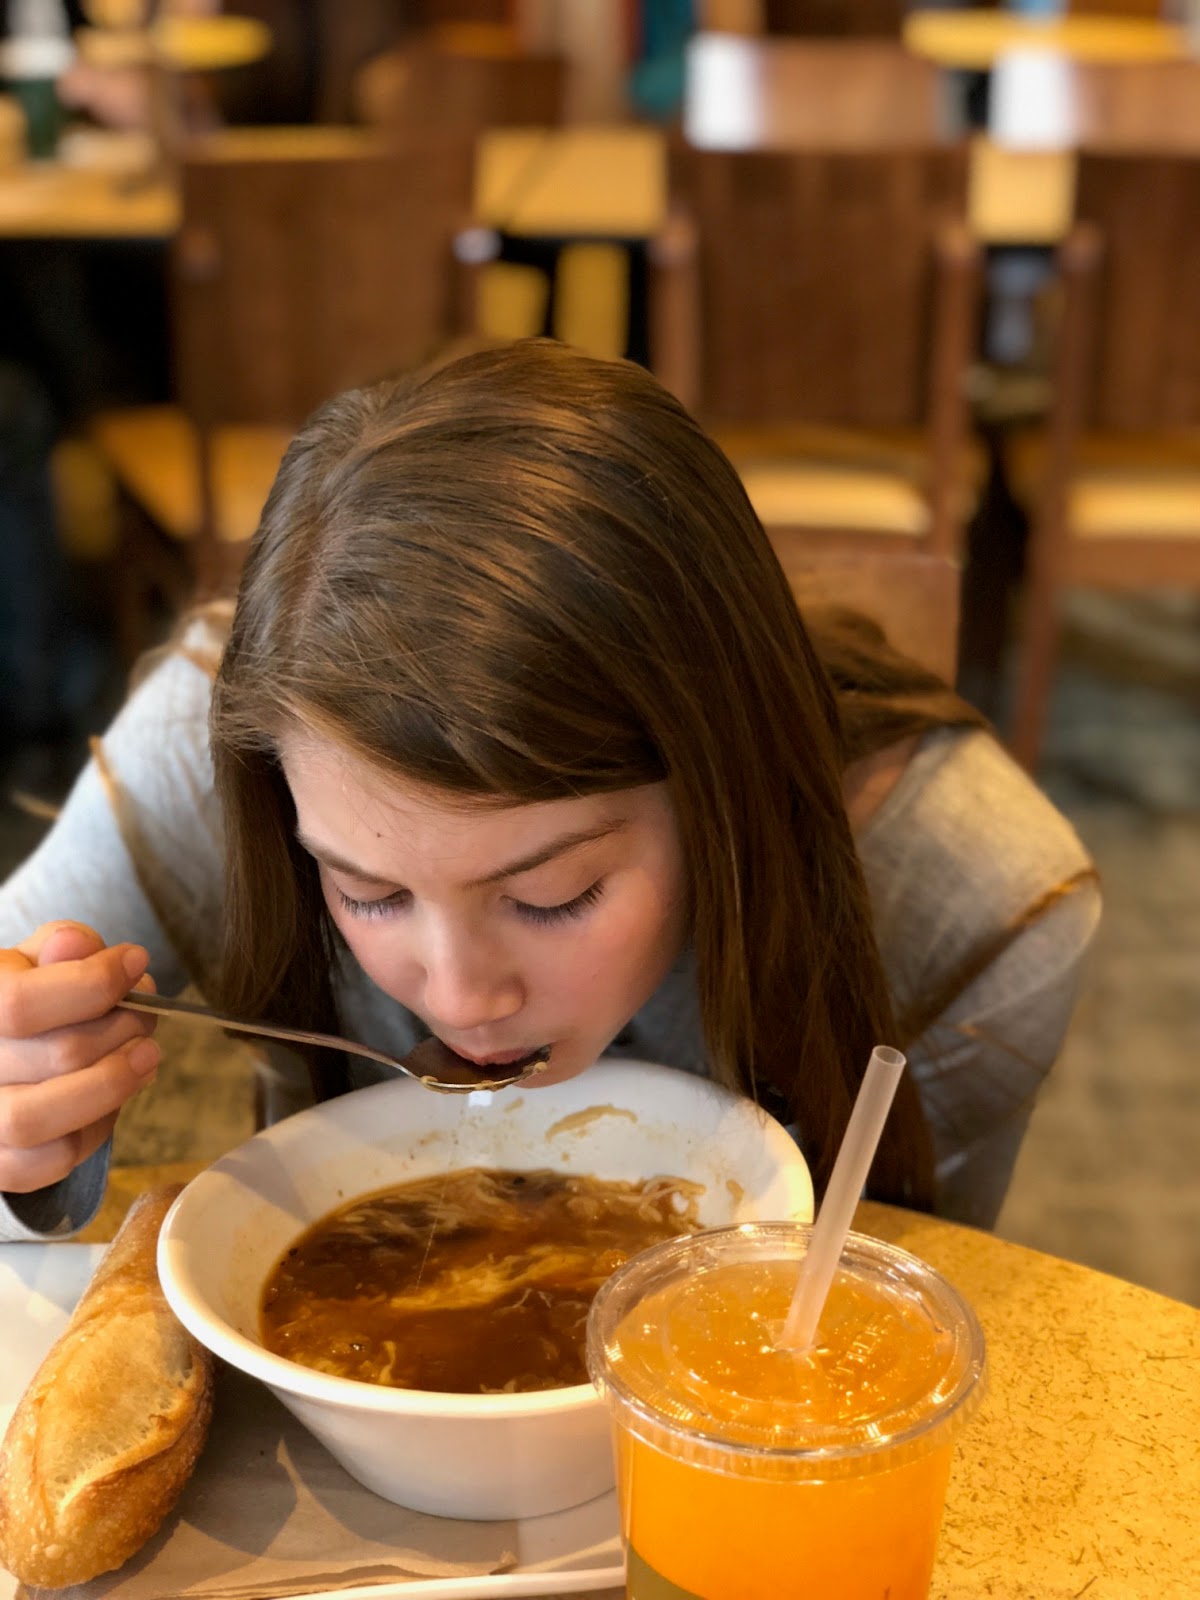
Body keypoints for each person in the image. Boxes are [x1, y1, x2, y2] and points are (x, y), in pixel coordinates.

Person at [0, 339, 1100, 1242]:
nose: (461, 997)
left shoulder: (978, 907)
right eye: (369, 894)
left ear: (720, 779)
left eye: (553, 896)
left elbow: (902, 1305)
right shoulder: (233, 750)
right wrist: (27, 1116)